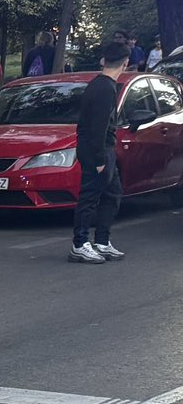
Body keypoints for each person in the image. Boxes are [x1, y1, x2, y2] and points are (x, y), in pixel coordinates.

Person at [69, 38, 132, 264]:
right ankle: (80, 243)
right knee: (90, 196)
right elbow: (98, 127)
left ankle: (102, 241)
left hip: (99, 148)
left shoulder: (99, 84)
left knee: (113, 193)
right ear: (125, 64)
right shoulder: (105, 89)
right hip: (98, 149)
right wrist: (99, 158)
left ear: (104, 60)